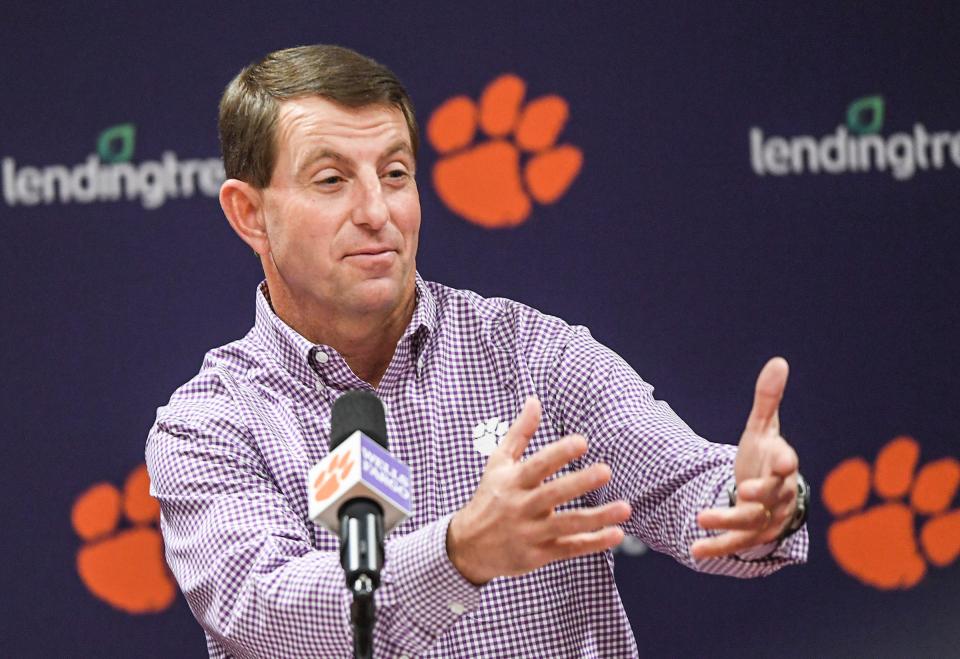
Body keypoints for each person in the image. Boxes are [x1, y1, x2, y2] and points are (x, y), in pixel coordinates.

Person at [146, 44, 809, 658]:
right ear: (249, 214)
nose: (378, 210)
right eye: (331, 180)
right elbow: (268, 613)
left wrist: (763, 503)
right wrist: (459, 553)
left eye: (396, 172)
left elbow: (690, 488)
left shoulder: (531, 353)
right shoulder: (209, 425)